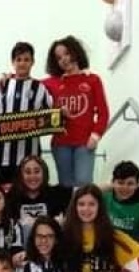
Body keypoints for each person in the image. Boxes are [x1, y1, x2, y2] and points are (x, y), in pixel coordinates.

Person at [43, 36, 110, 187]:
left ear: (75, 52)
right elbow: (27, 82)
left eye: (67, 53)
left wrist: (95, 136)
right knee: (66, 187)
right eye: (59, 58)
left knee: (83, 183)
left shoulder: (93, 80)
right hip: (60, 143)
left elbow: (103, 113)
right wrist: (6, 76)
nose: (64, 59)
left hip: (85, 142)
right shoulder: (52, 83)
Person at [0, 42, 53, 184]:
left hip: (31, 158)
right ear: (13, 62)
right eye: (18, 59)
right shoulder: (2, 85)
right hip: (3, 157)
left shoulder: (40, 88)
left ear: (32, 62)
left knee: (28, 194)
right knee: (6, 195)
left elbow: (52, 114)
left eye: (26, 59)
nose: (22, 63)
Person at [62, 185, 139, 272]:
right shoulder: (64, 236)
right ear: (74, 207)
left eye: (92, 204)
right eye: (81, 204)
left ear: (100, 207)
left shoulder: (113, 236)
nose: (86, 209)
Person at [7, 155, 71, 229]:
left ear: (44, 173)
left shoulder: (58, 194)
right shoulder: (12, 198)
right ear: (21, 175)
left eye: (37, 172)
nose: (32, 176)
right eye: (28, 172)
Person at [103, 161, 139, 241]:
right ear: (113, 182)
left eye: (130, 184)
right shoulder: (105, 198)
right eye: (120, 183)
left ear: (137, 185)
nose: (125, 188)